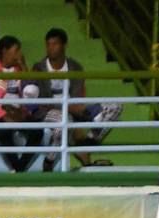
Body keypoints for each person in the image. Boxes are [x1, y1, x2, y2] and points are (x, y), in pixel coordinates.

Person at [28, 27, 122, 171]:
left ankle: (86, 145)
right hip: (48, 111)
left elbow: (78, 97)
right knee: (64, 120)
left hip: (73, 108)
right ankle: (49, 160)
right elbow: (41, 101)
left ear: (64, 45)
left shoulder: (75, 67)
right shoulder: (38, 68)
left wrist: (77, 109)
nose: (50, 48)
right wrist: (67, 108)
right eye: (48, 44)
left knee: (114, 107)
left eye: (55, 44)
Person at [0, 35, 43, 173]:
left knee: (38, 131)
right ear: (4, 51)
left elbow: (30, 91)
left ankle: (20, 168)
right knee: (4, 131)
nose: (18, 55)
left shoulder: (18, 70)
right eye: (16, 51)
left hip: (17, 111)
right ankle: (18, 168)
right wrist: (3, 115)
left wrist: (24, 67)